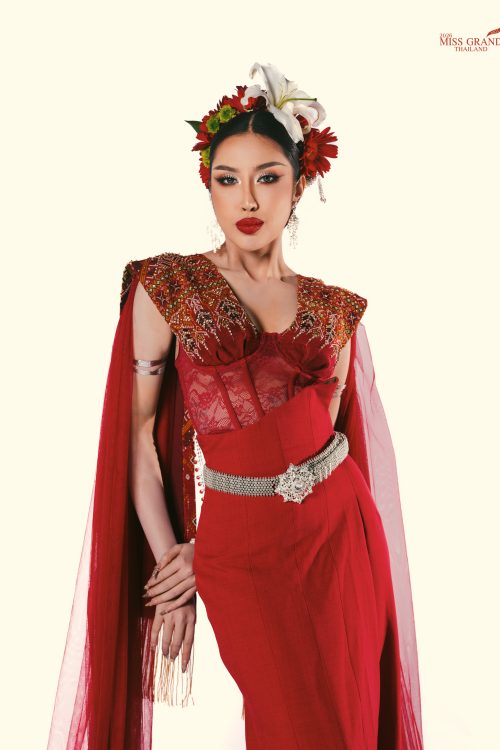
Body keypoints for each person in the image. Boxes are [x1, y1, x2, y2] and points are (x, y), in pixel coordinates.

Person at [47, 62, 424, 749]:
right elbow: (137, 440)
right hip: (240, 558)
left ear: (299, 184)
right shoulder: (168, 287)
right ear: (209, 187)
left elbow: (326, 443)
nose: (246, 198)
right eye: (227, 180)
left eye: (267, 177)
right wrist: (177, 558)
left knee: (347, 727)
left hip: (341, 544)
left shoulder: (335, 310)